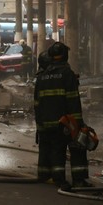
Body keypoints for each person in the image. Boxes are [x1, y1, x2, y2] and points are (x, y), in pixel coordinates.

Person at [34, 41, 89, 190]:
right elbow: (73, 99)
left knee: (51, 149)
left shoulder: (42, 77)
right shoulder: (67, 74)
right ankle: (77, 180)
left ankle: (48, 176)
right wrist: (78, 123)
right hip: (63, 122)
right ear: (65, 56)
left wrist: (39, 125)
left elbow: (37, 104)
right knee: (75, 148)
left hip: (46, 123)